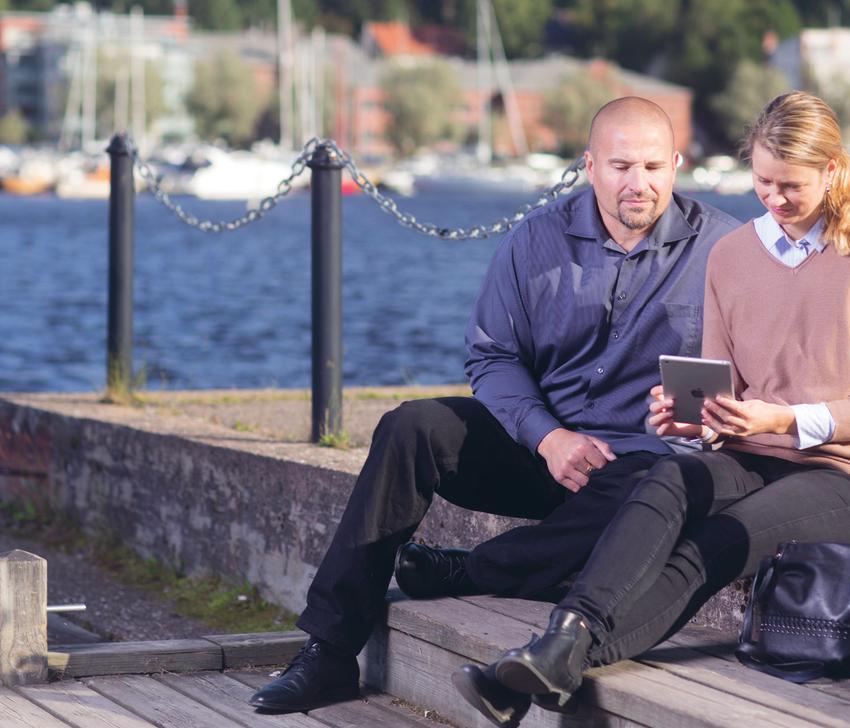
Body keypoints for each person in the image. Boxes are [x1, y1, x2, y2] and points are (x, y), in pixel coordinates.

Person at [248, 97, 739, 712]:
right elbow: (493, 357)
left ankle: (474, 569)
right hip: (541, 451)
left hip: (639, 471)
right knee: (410, 426)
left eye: (650, 167)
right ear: (589, 166)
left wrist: (714, 417)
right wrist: (547, 437)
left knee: (660, 482)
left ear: (675, 164)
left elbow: (747, 371)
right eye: (620, 167)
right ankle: (328, 651)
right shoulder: (536, 240)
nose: (636, 184)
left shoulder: (725, 249)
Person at [455, 90, 850, 727]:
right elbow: (720, 389)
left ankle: (554, 657)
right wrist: (689, 419)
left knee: (712, 543)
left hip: (848, 474)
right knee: (666, 473)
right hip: (751, 451)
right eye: (761, 182)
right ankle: (562, 639)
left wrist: (780, 419)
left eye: (791, 186)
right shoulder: (732, 255)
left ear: (832, 172)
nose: (774, 199)